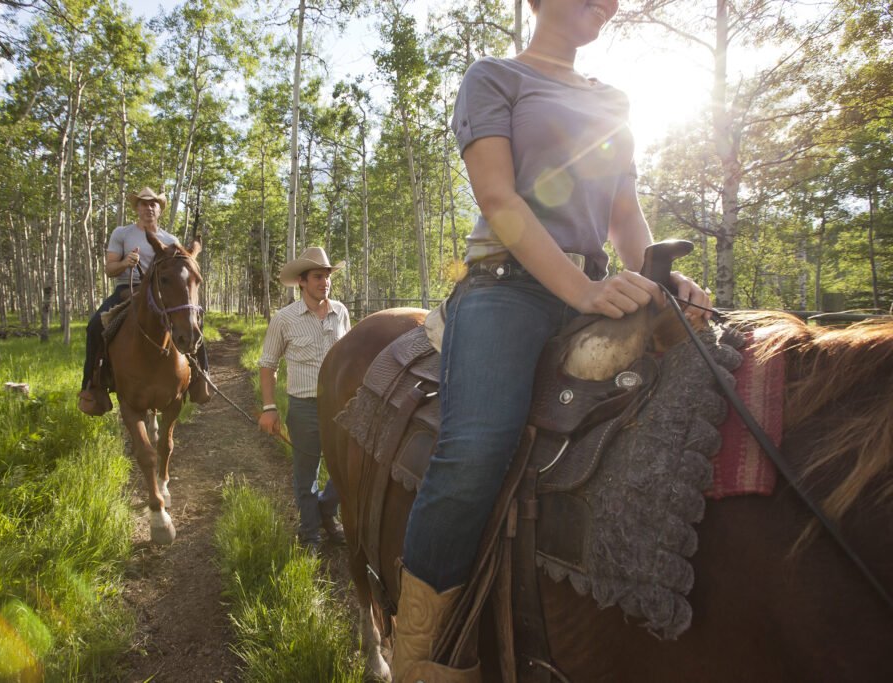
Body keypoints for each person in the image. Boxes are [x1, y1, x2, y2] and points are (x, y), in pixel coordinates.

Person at [393, 1, 713, 680]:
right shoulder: (495, 77)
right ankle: (417, 657)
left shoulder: (616, 99)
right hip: (504, 288)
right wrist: (585, 291)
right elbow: (499, 200)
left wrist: (661, 275)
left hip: (594, 285)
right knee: (475, 449)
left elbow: (626, 213)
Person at [77, 187, 211, 416]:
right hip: (127, 291)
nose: (149, 207)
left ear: (159, 209)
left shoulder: (170, 239)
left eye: (153, 204)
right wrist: (125, 263)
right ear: (137, 208)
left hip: (163, 293)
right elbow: (110, 268)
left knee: (192, 323)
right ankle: (92, 386)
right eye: (144, 203)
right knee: (95, 325)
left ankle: (201, 377)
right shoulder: (122, 233)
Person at [257, 247, 351, 553]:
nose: (325, 282)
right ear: (302, 281)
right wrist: (270, 408)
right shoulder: (285, 319)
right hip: (304, 406)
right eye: (318, 277)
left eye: (327, 277)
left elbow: (349, 359)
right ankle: (310, 533)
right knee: (305, 473)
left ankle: (327, 511)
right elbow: (268, 365)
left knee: (344, 468)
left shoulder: (341, 312)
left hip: (340, 406)